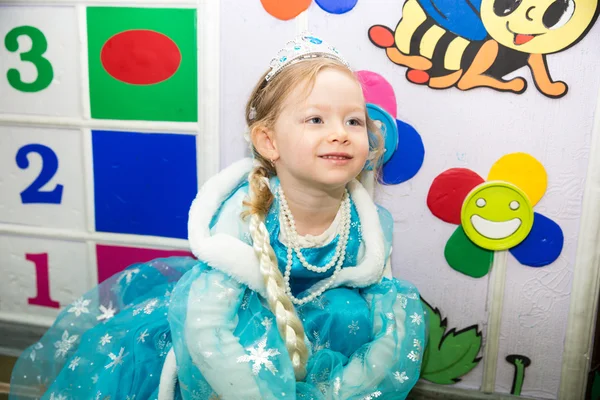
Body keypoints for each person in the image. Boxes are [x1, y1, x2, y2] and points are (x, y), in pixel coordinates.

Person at [9, 32, 426, 400]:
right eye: (316, 119)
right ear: (268, 141)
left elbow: (389, 325)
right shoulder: (247, 213)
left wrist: (337, 391)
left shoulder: (368, 224)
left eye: (353, 120)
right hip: (241, 345)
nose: (339, 132)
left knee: (354, 314)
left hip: (322, 340)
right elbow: (207, 324)